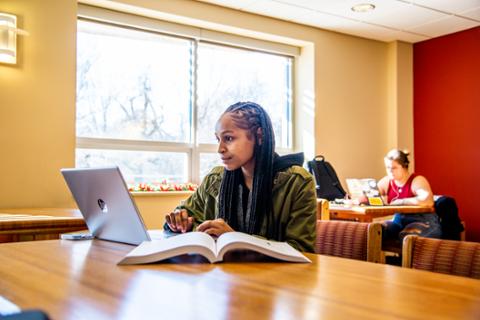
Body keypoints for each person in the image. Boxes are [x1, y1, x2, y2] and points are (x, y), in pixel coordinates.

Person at [164, 102, 317, 252]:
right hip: (221, 275)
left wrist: (235, 239)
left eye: (229, 138)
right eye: (218, 139)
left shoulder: (298, 182)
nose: (220, 149)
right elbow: (185, 218)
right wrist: (181, 223)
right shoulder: (215, 179)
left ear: (259, 135)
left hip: (274, 277)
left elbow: (301, 250)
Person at [377, 149, 442, 241]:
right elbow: (372, 194)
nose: (390, 171)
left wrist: (401, 202)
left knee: (406, 237)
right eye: (388, 168)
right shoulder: (387, 181)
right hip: (399, 221)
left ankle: (403, 255)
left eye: (394, 168)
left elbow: (427, 201)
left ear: (404, 166)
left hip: (423, 221)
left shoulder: (417, 180)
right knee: (376, 231)